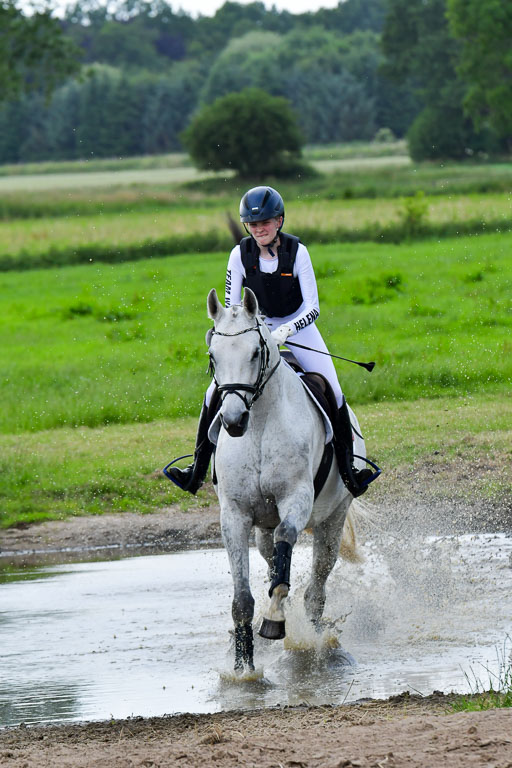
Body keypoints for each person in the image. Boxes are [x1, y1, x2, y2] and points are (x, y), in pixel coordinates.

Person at [165, 185, 374, 497]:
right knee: (213, 394)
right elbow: (232, 307)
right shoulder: (239, 255)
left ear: (279, 222)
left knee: (334, 389)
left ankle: (350, 469)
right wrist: (236, 332)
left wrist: (287, 331)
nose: (258, 229)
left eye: (264, 222)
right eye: (252, 224)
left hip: (298, 327)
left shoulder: (298, 252)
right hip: (254, 329)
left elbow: (313, 307)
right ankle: (196, 469)